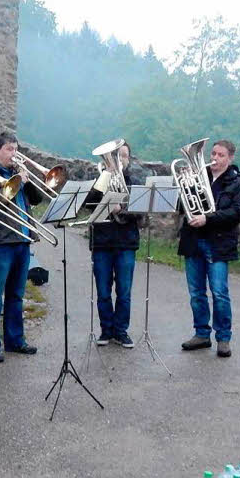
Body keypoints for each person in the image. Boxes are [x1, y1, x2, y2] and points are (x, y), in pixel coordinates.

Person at [178, 139, 240, 358]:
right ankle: (201, 334)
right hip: (193, 241)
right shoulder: (200, 176)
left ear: (230, 158)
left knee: (219, 293)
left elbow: (237, 213)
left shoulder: (236, 182)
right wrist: (186, 183)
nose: (215, 158)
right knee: (196, 293)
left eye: (220, 155)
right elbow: (182, 207)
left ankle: (223, 338)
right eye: (213, 154)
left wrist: (207, 219)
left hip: (218, 243)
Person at [0, 132, 44, 362]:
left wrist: (26, 181)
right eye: (9, 149)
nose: (14, 154)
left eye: (16, 149)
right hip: (1, 241)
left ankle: (15, 340)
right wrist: (16, 183)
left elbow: (37, 199)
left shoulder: (19, 173)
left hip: (23, 239)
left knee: (17, 295)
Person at [91, 141, 145, 348]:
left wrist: (120, 210)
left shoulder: (134, 182)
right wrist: (104, 179)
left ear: (128, 160)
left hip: (126, 242)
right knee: (103, 292)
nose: (120, 160)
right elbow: (88, 205)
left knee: (124, 291)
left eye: (124, 156)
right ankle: (106, 330)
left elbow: (141, 212)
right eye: (117, 156)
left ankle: (121, 331)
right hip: (102, 243)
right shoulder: (100, 180)